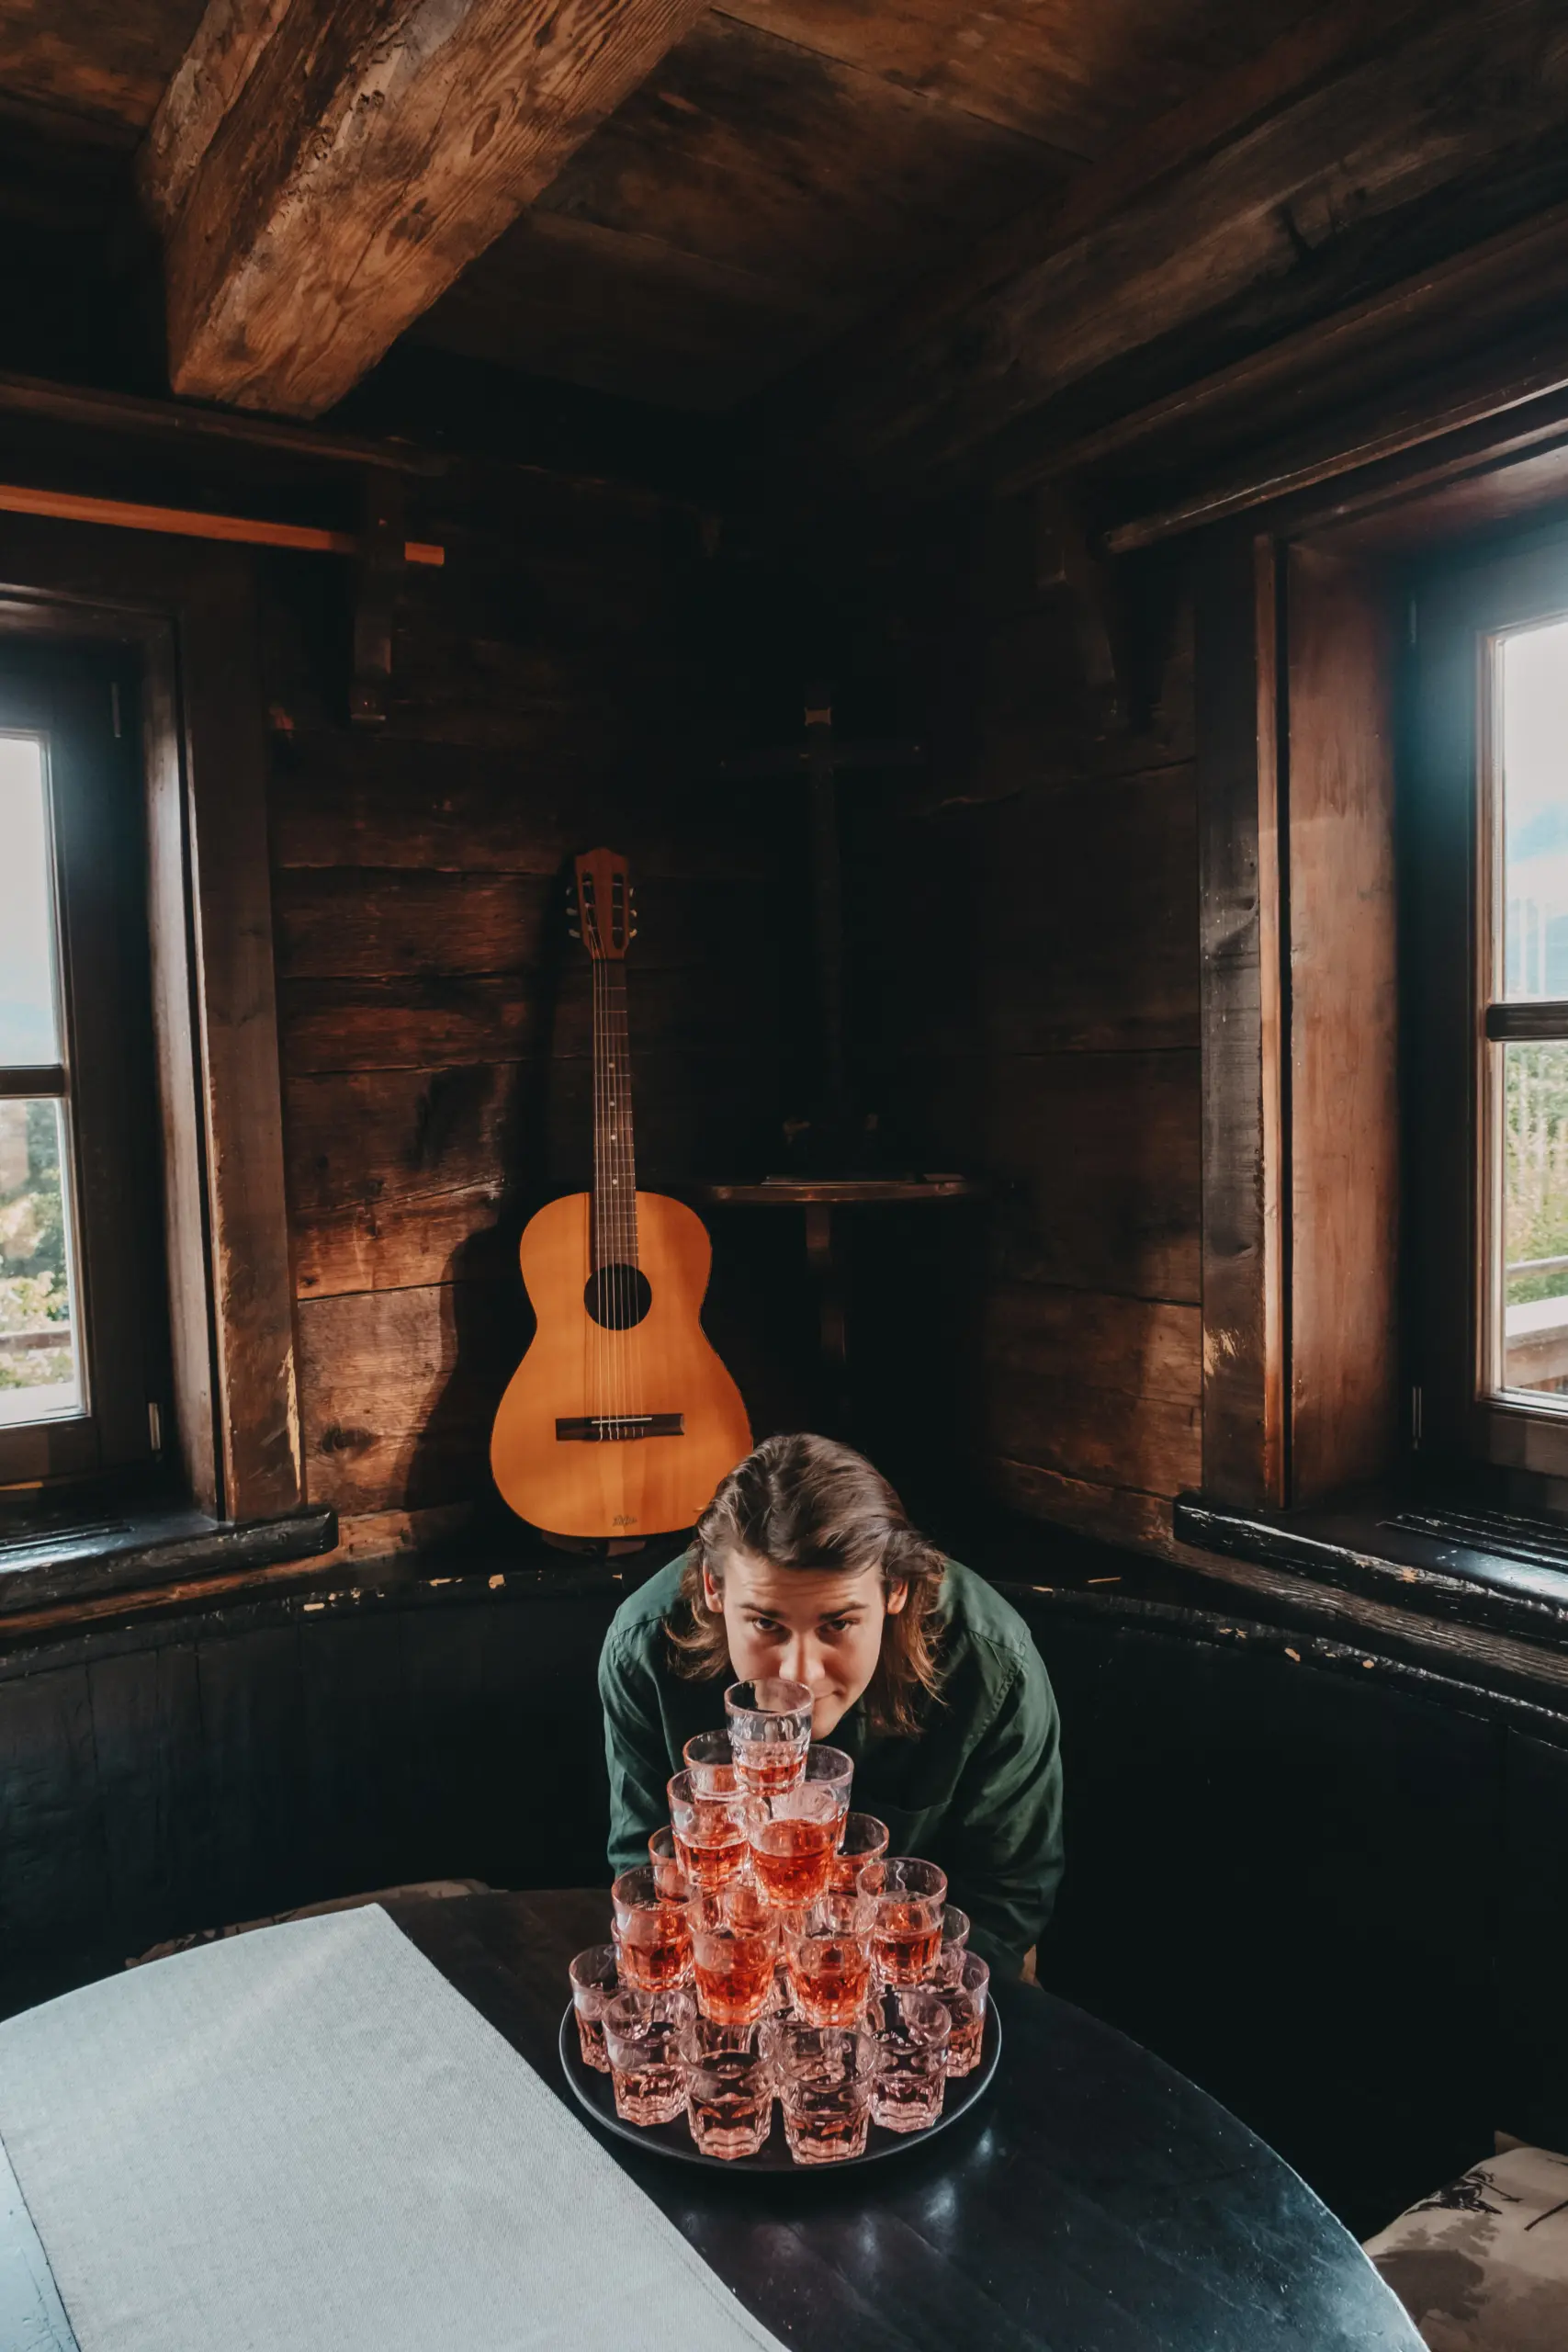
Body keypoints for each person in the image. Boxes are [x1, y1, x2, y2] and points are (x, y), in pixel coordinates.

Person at [598, 1432, 1064, 1977]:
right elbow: (647, 1878)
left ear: (896, 1592)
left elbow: (1007, 1903)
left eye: (838, 1624)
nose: (800, 1675)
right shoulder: (644, 1648)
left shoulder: (993, 1664)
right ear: (713, 1588)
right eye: (766, 1623)